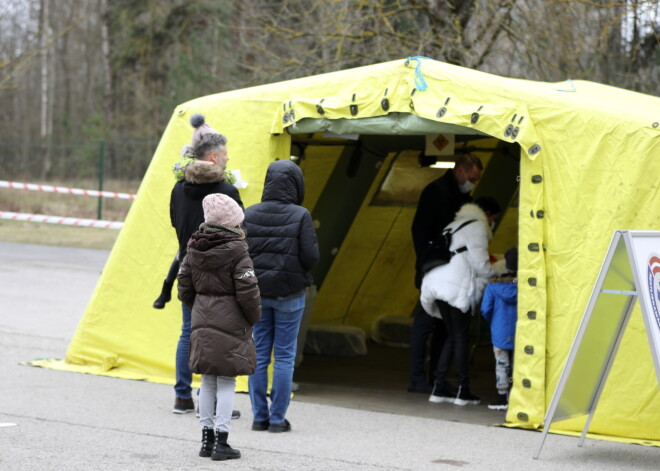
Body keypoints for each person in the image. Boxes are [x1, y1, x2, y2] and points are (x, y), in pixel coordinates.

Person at [177, 193, 261, 460]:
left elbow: (183, 285)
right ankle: (222, 442)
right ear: (233, 222)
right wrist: (252, 316)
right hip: (232, 319)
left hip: (202, 316)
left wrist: (200, 306)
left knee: (207, 380)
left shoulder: (194, 247)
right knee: (227, 381)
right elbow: (248, 291)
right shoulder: (238, 251)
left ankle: (206, 439)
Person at [169, 113, 243, 414]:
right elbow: (240, 232)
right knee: (218, 334)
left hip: (187, 266)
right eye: (225, 154)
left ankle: (182, 396)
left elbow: (175, 223)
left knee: (189, 331)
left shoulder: (177, 188)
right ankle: (211, 401)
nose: (227, 159)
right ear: (213, 157)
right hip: (220, 275)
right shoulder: (226, 191)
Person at [245, 159, 320, 433]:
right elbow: (311, 258)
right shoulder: (301, 215)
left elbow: (241, 255)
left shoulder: (248, 213)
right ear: (296, 184)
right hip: (290, 293)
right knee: (285, 356)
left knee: (260, 354)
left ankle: (258, 417)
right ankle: (277, 419)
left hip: (257, 294)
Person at [408, 153, 483, 393]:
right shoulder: (436, 192)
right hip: (434, 268)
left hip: (450, 270)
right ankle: (416, 378)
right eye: (472, 177)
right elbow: (419, 229)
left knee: (444, 326)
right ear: (460, 171)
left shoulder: (461, 196)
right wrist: (429, 260)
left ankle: (436, 379)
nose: (473, 182)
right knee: (426, 323)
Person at [420, 196, 501, 406]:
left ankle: (438, 387)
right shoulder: (478, 226)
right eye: (493, 217)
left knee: (452, 335)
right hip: (455, 285)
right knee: (461, 337)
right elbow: (480, 264)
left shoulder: (454, 223)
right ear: (488, 214)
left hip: (436, 281)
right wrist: (497, 272)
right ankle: (463, 391)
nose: (493, 221)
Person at [481, 247, 518, 411]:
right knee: (519, 363)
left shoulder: (493, 287)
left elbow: (485, 310)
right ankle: (518, 394)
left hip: (500, 331)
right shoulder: (528, 286)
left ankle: (503, 396)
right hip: (522, 332)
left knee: (502, 364)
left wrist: (494, 322)